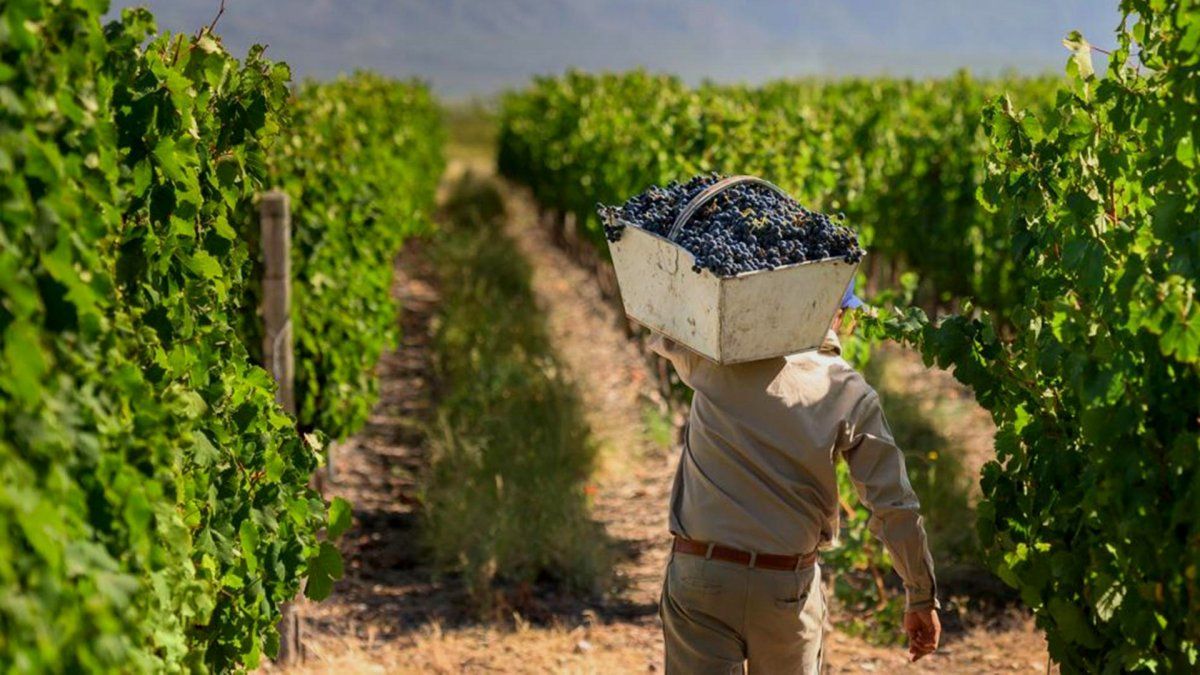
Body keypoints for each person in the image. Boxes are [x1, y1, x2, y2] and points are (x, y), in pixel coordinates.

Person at [650, 280, 940, 674]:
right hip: (786, 586)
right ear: (837, 315)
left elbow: (661, 312)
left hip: (704, 575)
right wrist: (920, 595)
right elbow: (894, 505)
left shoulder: (718, 353)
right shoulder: (849, 390)